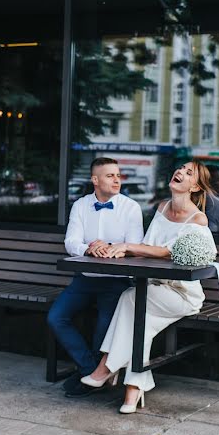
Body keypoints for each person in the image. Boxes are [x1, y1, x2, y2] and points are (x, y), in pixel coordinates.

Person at [80, 161, 214, 413]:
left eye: (188, 173)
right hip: (153, 289)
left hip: (181, 295)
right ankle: (133, 390)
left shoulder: (199, 219)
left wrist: (128, 247)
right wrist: (116, 250)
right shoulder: (162, 207)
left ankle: (106, 367)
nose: (180, 172)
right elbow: (148, 246)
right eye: (180, 168)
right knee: (140, 322)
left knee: (131, 299)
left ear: (194, 186)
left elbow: (166, 252)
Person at [50, 157, 144, 397]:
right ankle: (90, 371)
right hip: (84, 279)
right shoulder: (80, 206)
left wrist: (109, 246)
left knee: (103, 331)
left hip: (116, 281)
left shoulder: (131, 208)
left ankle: (90, 379)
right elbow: (71, 242)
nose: (117, 179)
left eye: (118, 175)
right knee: (56, 317)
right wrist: (88, 249)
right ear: (95, 180)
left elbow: (135, 246)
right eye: (110, 175)